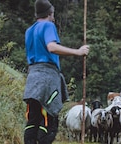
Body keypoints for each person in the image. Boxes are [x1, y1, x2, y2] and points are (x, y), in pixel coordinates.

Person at [23, 0, 90, 143]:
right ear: (50, 13)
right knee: (50, 120)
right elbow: (52, 47)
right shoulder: (48, 25)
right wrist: (78, 52)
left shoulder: (29, 30)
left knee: (33, 120)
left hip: (32, 79)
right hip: (47, 79)